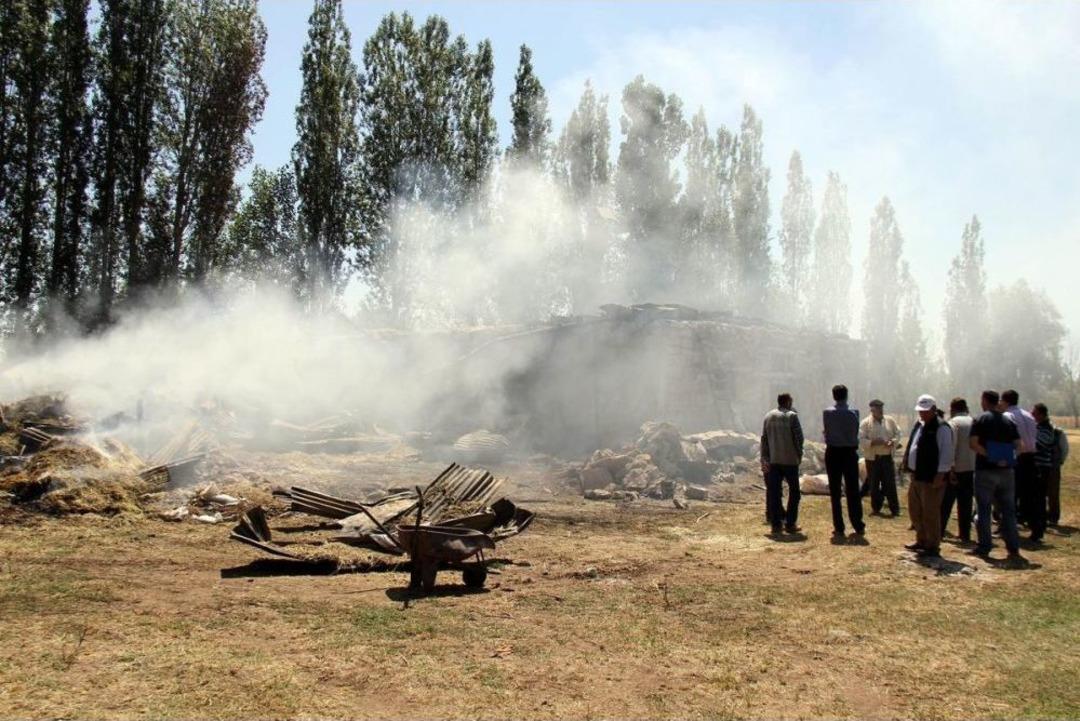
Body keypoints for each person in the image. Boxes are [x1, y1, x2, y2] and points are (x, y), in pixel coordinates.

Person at [969, 389, 1025, 565]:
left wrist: (990, 455)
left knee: (984, 509)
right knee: (1008, 510)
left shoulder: (980, 419)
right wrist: (1007, 459)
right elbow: (1020, 446)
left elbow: (973, 443)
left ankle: (985, 546)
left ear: (985, 401)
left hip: (985, 470)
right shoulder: (1008, 420)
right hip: (1007, 472)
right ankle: (1013, 548)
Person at [902, 395, 954, 558]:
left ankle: (932, 545)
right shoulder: (919, 424)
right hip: (917, 475)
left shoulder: (942, 428)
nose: (922, 414)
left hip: (931, 477)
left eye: (925, 411)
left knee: (930, 512)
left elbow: (946, 453)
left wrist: (941, 474)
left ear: (933, 409)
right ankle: (921, 539)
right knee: (915, 510)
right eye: (920, 411)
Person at [823, 384, 864, 539]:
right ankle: (858, 524)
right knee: (853, 490)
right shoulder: (854, 413)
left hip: (833, 452)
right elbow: (855, 431)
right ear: (846, 396)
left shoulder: (827, 413)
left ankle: (839, 526)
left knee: (835, 491)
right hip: (849, 453)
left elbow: (826, 431)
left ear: (834, 396)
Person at [760, 393, 805, 535]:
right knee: (794, 492)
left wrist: (765, 458)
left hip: (774, 461)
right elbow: (799, 438)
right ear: (788, 402)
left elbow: (764, 440)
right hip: (790, 461)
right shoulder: (792, 416)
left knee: (774, 493)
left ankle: (776, 525)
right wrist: (799, 455)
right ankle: (790, 524)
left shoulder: (768, 416)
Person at [1001, 389, 1037, 528]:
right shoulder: (1029, 415)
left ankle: (1008, 524)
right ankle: (1032, 523)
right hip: (1031, 456)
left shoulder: (1007, 416)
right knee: (1029, 491)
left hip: (1017, 456)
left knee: (1010, 493)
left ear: (1005, 401)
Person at [942, 397, 976, 542]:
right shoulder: (974, 421)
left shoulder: (953, 423)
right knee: (966, 503)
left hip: (956, 468)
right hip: (972, 468)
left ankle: (939, 530)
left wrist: (951, 468)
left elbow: (951, 446)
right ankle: (965, 534)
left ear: (952, 409)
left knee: (946, 502)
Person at [859, 399, 901, 516]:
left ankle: (895, 509)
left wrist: (893, 442)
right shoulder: (865, 423)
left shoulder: (890, 421)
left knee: (890, 484)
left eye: (881, 408)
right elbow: (861, 440)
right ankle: (876, 508)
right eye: (877, 408)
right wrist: (872, 442)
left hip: (887, 457)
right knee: (874, 484)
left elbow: (898, 433)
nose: (880, 410)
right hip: (873, 458)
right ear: (872, 410)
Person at [1031, 403, 1058, 540]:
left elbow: (1038, 444)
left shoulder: (1046, 429)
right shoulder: (1040, 427)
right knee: (1038, 498)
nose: (1032, 415)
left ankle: (1039, 526)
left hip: (1042, 467)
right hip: (1040, 466)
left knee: (1039, 498)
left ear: (1041, 414)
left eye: (1034, 413)